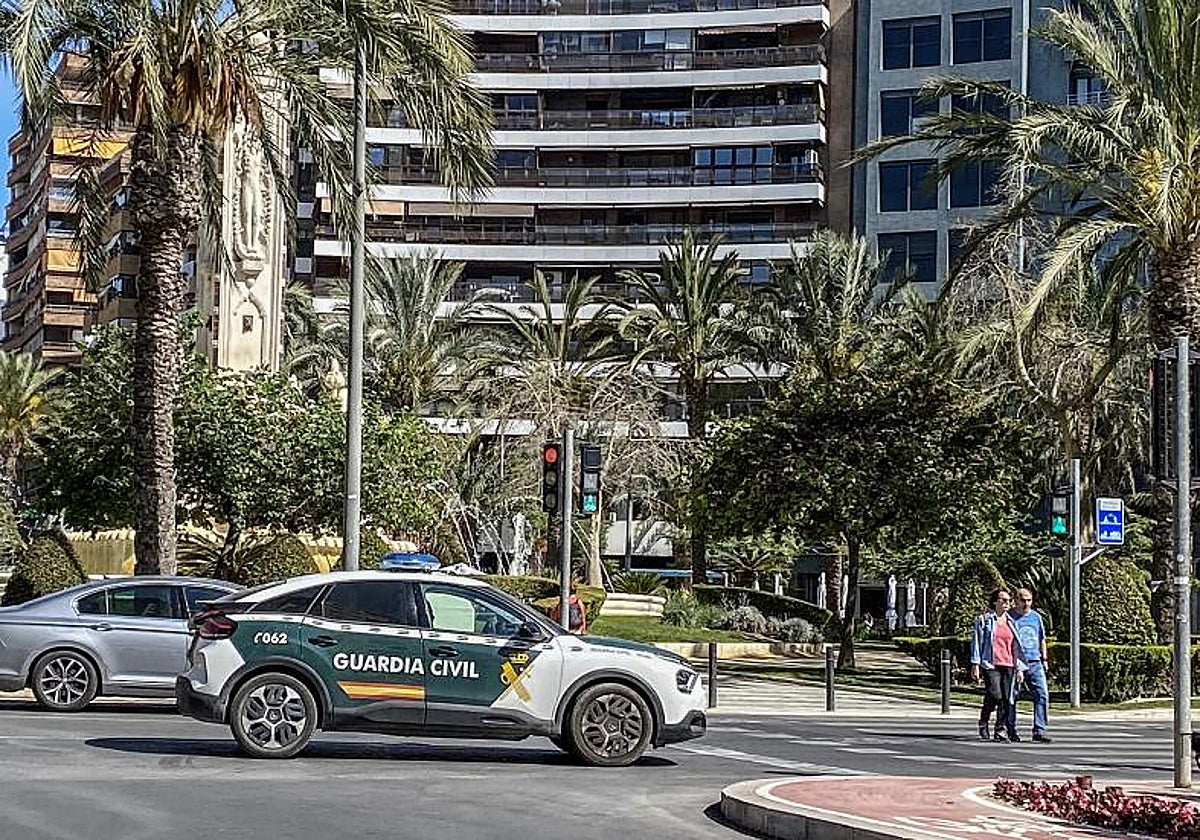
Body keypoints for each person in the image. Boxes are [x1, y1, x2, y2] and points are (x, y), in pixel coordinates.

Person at [970, 588, 1023, 741]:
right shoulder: (984, 620)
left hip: (1008, 663)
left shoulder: (1012, 622)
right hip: (990, 663)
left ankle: (1000, 728)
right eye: (1003, 600)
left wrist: (1019, 667)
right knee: (995, 694)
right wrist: (975, 664)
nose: (1007, 603)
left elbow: (1016, 646)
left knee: (1006, 698)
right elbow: (977, 642)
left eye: (1009, 600)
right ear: (995, 602)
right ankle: (984, 720)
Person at [1007, 587, 1051, 743]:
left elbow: (1042, 639)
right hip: (1016, 663)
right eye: (1023, 600)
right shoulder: (1009, 617)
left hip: (1035, 662)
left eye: (1029, 600)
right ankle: (1010, 729)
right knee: (1012, 697)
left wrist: (1044, 659)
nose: (1026, 603)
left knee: (1042, 694)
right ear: (1016, 600)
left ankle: (1039, 730)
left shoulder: (1036, 617)